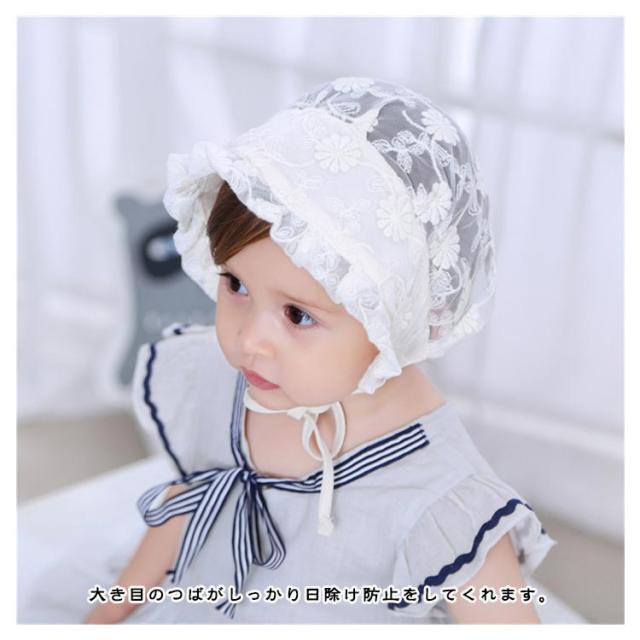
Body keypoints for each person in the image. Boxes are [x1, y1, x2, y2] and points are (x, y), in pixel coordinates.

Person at [85, 76, 556, 624]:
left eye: (298, 315)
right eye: (235, 284)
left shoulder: (437, 498)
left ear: (393, 317)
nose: (249, 339)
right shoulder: (232, 383)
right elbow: (190, 506)